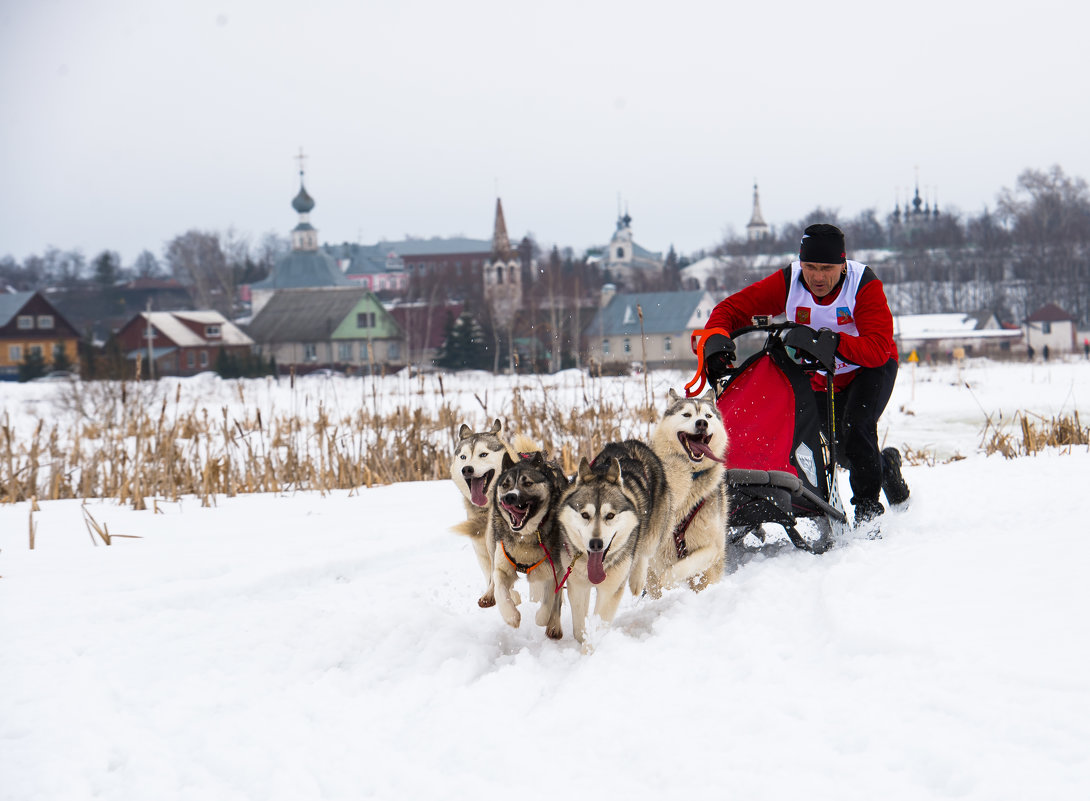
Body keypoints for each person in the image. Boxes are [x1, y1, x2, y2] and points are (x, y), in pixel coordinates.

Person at [701, 223, 909, 525]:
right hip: (821, 373)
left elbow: (877, 348)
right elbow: (732, 308)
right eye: (809, 266)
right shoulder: (790, 281)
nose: (817, 277)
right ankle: (886, 467)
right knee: (834, 447)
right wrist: (717, 339)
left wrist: (833, 341)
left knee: (857, 429)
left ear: (843, 265)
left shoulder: (863, 284)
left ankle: (868, 512)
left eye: (827, 268)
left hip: (869, 368)